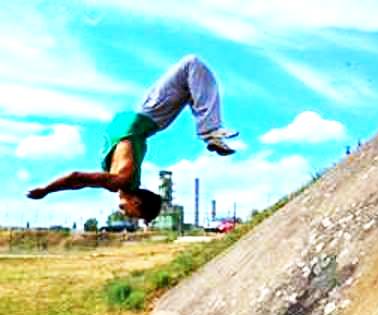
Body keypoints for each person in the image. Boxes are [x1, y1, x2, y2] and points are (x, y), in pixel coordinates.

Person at [27, 55, 239, 223]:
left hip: (149, 116)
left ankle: (209, 129)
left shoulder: (122, 181)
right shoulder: (122, 180)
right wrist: (46, 190)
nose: (126, 215)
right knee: (191, 64)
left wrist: (48, 190)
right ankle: (210, 131)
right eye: (133, 214)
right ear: (136, 202)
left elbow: (79, 181)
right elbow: (77, 178)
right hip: (152, 113)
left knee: (192, 84)